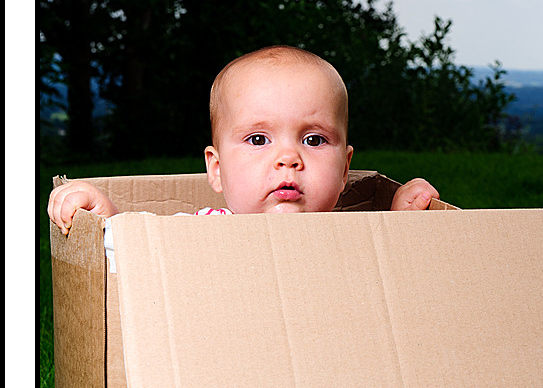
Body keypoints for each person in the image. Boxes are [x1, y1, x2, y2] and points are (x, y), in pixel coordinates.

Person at [48, 46, 439, 233]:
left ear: (344, 171)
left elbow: (392, 271)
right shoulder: (203, 233)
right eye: (258, 139)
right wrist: (107, 219)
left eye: (314, 140)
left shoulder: (356, 234)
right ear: (217, 169)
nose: (288, 158)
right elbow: (141, 257)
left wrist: (401, 224)